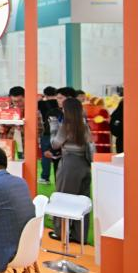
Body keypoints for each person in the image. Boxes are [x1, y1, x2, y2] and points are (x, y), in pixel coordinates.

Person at [48, 96, 94, 242]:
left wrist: (53, 127)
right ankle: (80, 235)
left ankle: (61, 233)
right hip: (84, 164)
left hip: (69, 164)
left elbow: (55, 144)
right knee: (82, 201)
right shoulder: (84, 126)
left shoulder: (66, 126)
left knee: (62, 198)